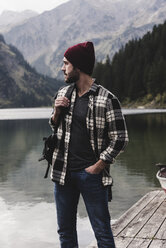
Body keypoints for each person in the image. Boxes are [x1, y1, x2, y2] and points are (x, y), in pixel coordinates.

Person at [49, 41, 128, 248]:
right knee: (65, 232)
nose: (62, 68)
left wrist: (98, 167)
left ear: (78, 66)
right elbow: (54, 127)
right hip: (62, 174)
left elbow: (120, 138)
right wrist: (57, 111)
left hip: (91, 176)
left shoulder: (107, 99)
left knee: (102, 232)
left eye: (66, 63)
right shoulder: (63, 94)